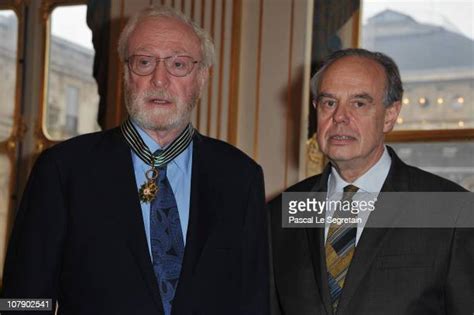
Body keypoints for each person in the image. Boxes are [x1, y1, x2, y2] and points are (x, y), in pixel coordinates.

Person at [1, 6, 268, 315]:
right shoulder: (62, 171)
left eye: (178, 64)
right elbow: (22, 302)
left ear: (203, 78)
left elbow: (254, 302)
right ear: (126, 74)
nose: (159, 80)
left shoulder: (240, 177)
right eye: (144, 62)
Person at [269, 48, 473, 315]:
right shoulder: (285, 209)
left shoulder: (449, 209)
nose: (339, 117)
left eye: (359, 103)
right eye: (329, 102)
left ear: (390, 115)